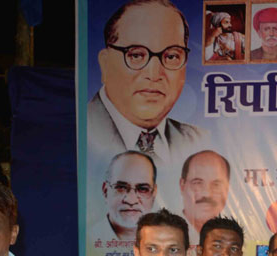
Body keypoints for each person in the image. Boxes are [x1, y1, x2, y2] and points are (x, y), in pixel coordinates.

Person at [87, 0, 204, 168]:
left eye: (171, 56)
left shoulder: (198, 141)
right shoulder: (81, 134)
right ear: (105, 64)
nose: (154, 74)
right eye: (136, 55)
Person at [97, 151, 157, 241]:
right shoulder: (87, 239)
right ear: (105, 191)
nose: (131, 200)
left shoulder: (168, 239)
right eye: (121, 187)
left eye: (143, 189)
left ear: (154, 193)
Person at [179, 150, 230, 243]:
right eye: (198, 183)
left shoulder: (233, 238)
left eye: (216, 184)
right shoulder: (167, 234)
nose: (207, 194)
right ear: (182, 185)